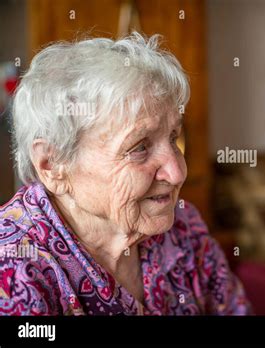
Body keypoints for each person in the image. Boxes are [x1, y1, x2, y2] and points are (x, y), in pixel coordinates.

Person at [0, 33, 251, 315]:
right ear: (52, 164)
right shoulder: (12, 268)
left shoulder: (183, 226)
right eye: (139, 147)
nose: (178, 172)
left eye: (173, 137)